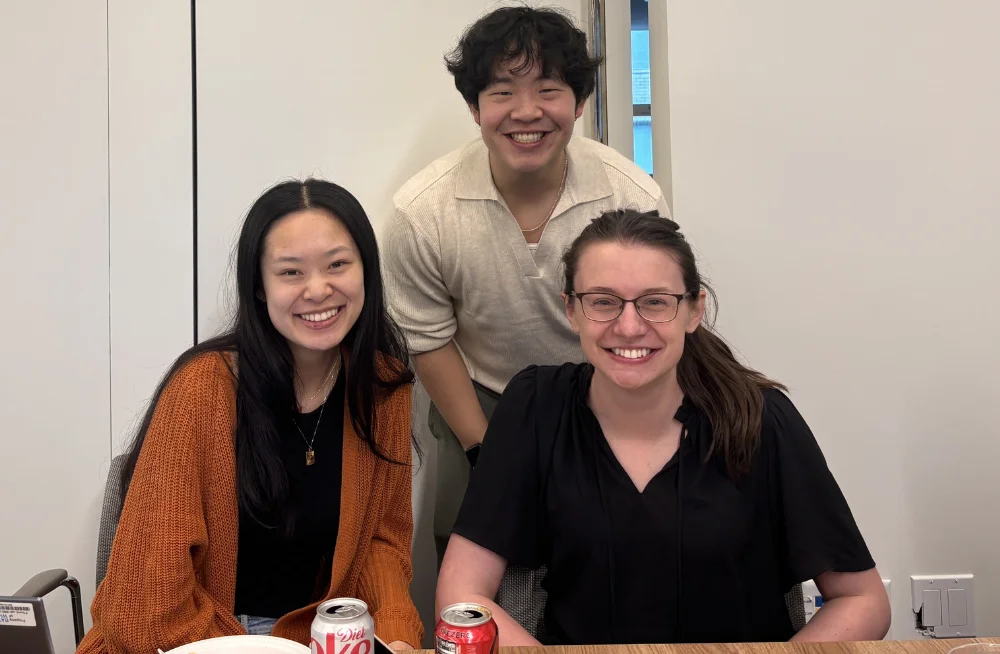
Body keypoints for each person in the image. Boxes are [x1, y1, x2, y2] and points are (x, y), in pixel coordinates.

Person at [436, 209, 892, 645]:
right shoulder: (535, 408)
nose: (629, 326)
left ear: (694, 311)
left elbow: (863, 601)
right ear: (571, 311)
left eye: (656, 302)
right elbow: (460, 595)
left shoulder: (760, 419)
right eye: (603, 302)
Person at [78, 180, 422, 653]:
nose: (319, 289)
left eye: (338, 265)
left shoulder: (382, 386)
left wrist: (395, 633)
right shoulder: (203, 388)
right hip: (193, 639)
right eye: (290, 272)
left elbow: (383, 542)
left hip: (320, 640)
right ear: (260, 288)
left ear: (366, 272)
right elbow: (143, 601)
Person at [382, 5, 671, 564]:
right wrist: (483, 450)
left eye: (548, 89)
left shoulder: (631, 196)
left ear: (580, 103)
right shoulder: (423, 211)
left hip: (611, 389)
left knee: (618, 556)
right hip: (485, 399)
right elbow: (428, 337)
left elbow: (660, 319)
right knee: (477, 567)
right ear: (473, 107)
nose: (527, 112)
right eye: (501, 93)